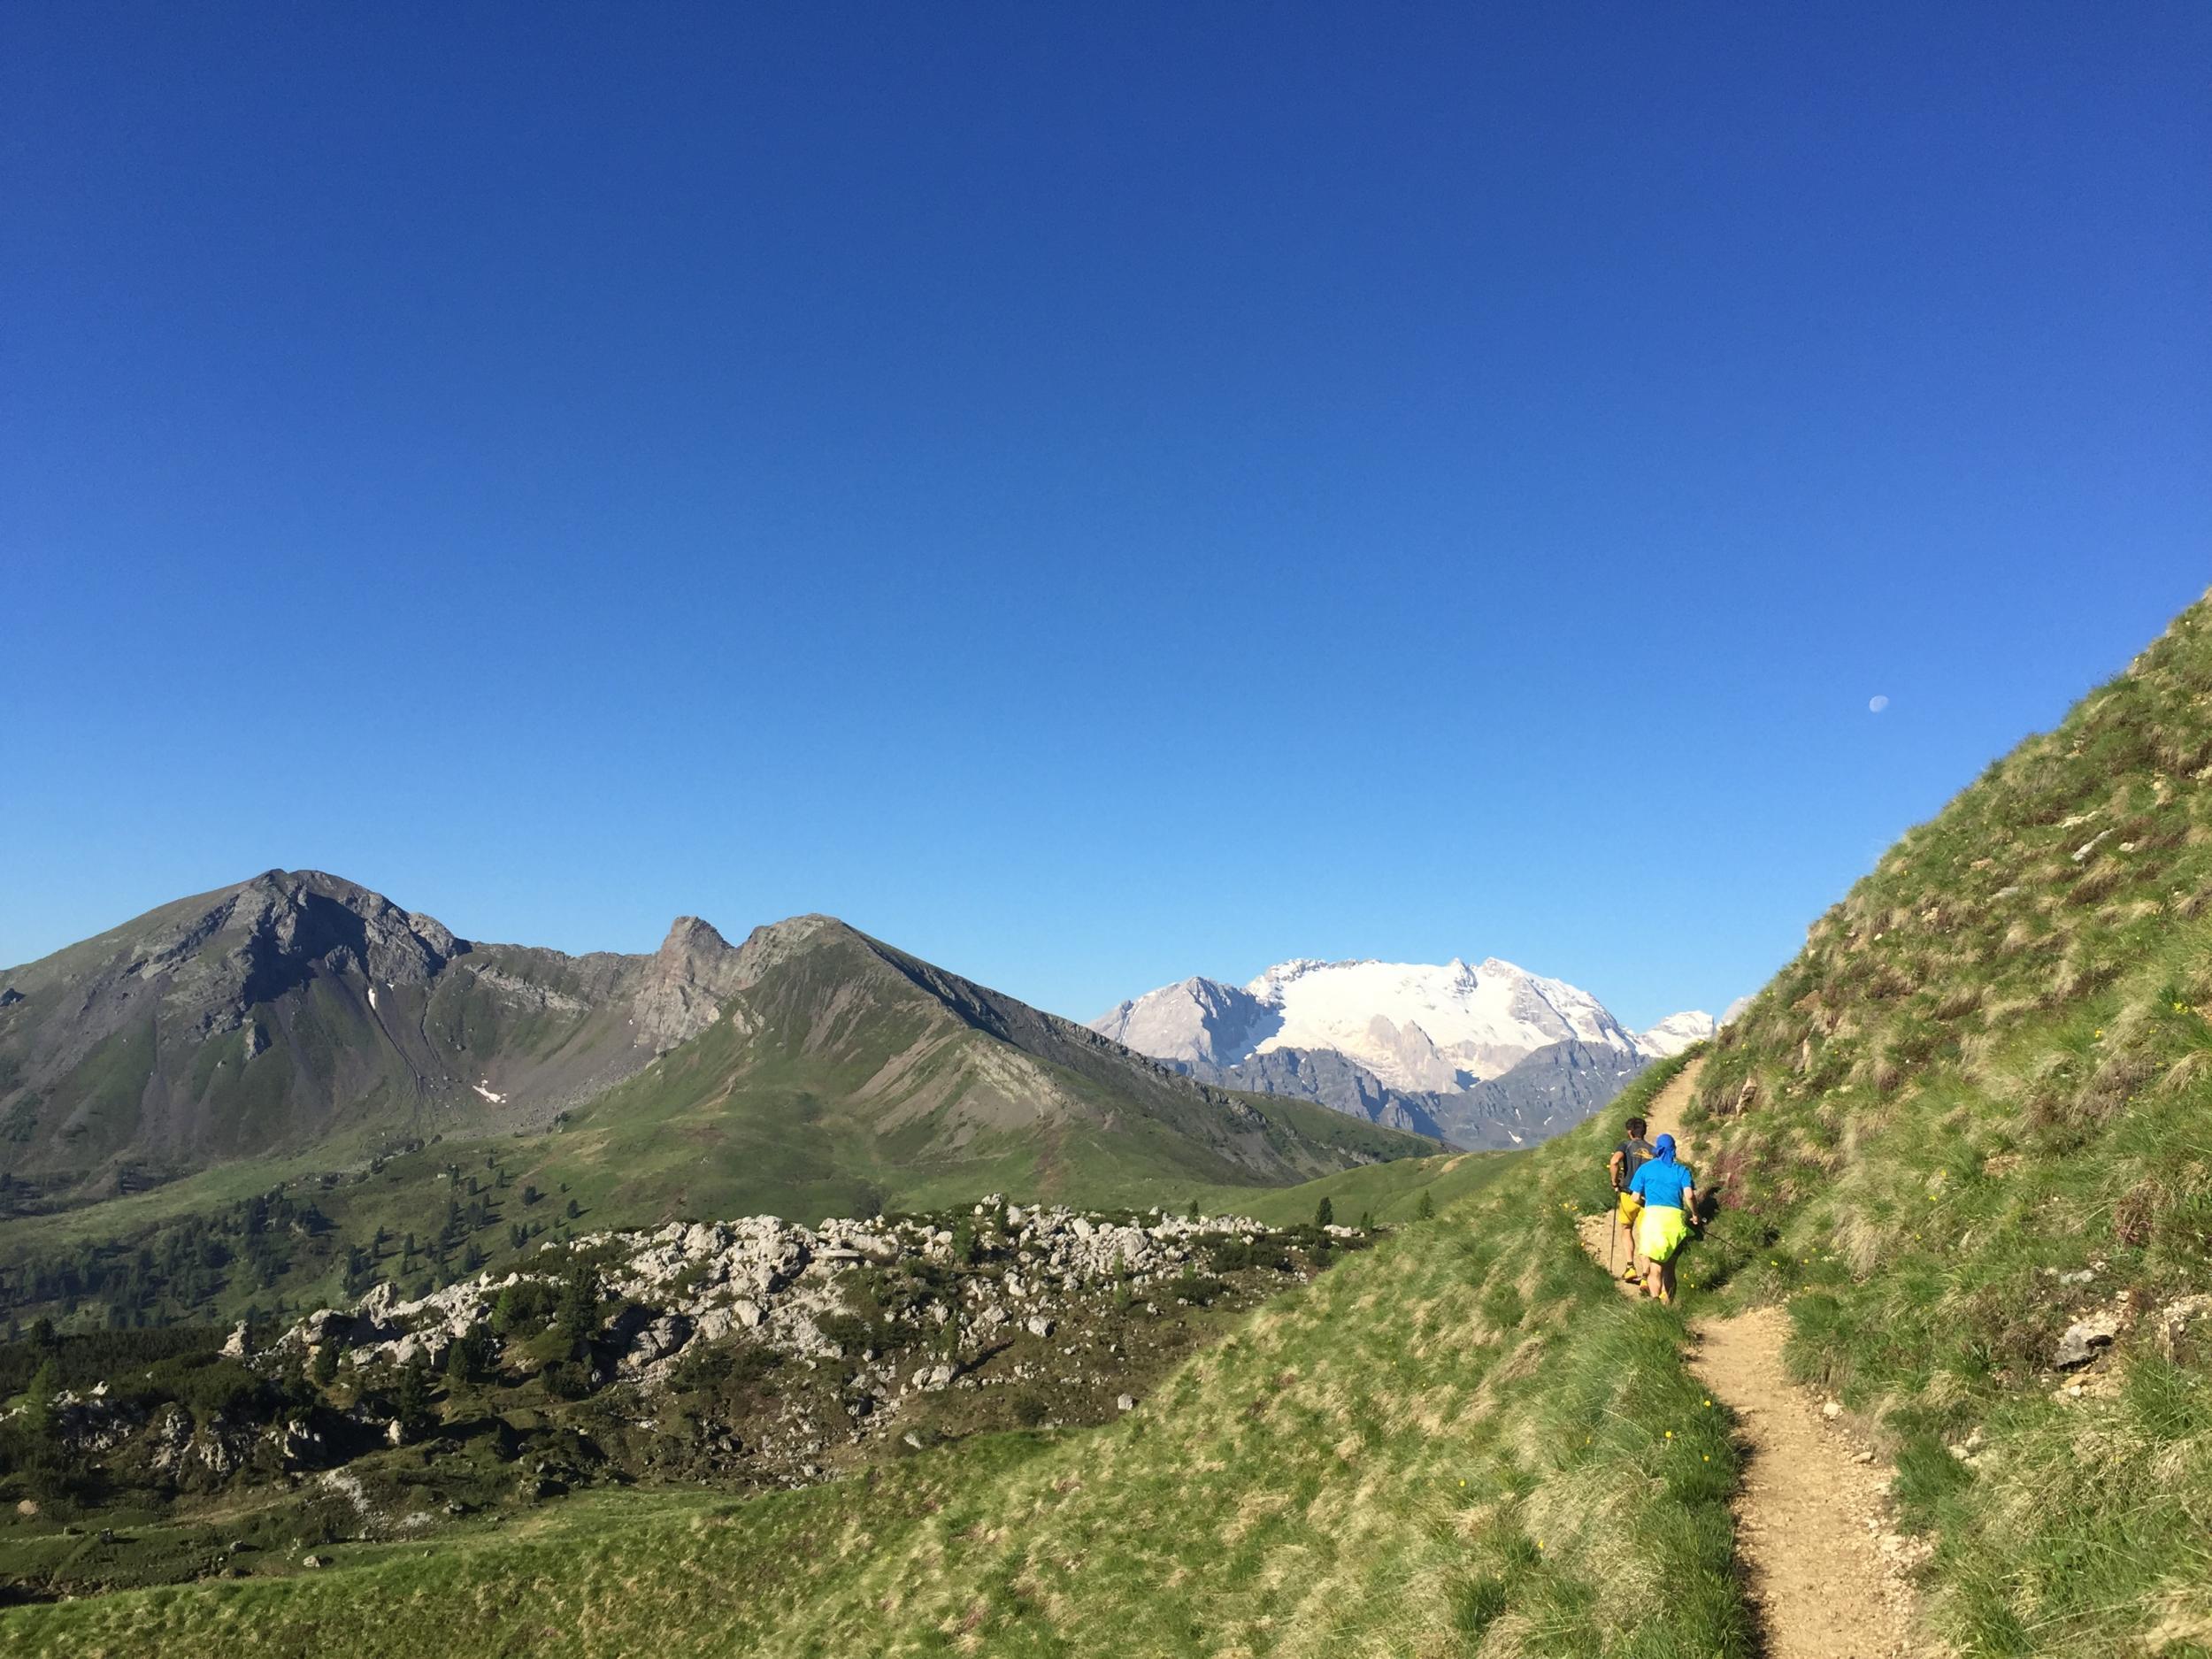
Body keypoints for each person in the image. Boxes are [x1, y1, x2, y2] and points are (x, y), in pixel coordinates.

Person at [1627, 1133, 1698, 1306]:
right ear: (1673, 1149)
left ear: (1657, 1150)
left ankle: (1655, 1303)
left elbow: (1634, 1197)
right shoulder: (1681, 1171)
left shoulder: (1645, 1169)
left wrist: (1646, 1204)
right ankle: (1669, 1304)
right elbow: (1689, 1194)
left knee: (1655, 1267)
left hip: (1653, 1220)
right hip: (1674, 1221)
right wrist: (1696, 1214)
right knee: (1670, 1268)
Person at [1607, 1116, 1654, 1282]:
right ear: (1644, 1131)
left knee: (1627, 1228)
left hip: (1628, 1195)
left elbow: (1614, 1161)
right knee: (1645, 1235)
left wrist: (1614, 1182)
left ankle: (1630, 1267)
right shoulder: (1653, 1150)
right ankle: (1647, 1276)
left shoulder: (1626, 1146)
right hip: (1646, 1199)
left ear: (1629, 1132)